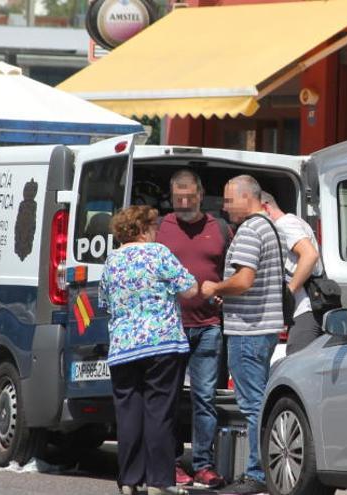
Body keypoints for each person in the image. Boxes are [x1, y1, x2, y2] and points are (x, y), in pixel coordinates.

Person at [99, 205, 198, 495]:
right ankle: (159, 481)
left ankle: (129, 480)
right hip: (162, 344)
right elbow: (190, 288)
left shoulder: (112, 261)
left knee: (129, 414)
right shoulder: (158, 253)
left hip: (124, 348)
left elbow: (105, 303)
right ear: (143, 230)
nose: (156, 232)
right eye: (153, 227)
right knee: (159, 412)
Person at [200, 175, 283, 494]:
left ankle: (258, 474)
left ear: (248, 198)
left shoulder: (250, 230)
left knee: (252, 405)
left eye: (229, 199)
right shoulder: (269, 227)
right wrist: (229, 294)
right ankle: (265, 469)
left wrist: (216, 287)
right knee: (258, 400)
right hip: (263, 327)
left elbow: (245, 280)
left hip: (249, 330)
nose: (225, 206)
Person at [155, 169, 228, 489]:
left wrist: (226, 291)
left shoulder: (220, 228)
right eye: (177, 197)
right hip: (169, 327)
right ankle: (169, 463)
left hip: (208, 326)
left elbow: (233, 268)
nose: (183, 202)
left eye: (189, 196)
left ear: (201, 195)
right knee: (167, 398)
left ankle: (203, 465)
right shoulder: (159, 228)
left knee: (205, 398)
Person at [261, 191, 324, 355]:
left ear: (265, 207)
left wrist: (289, 292)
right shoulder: (293, 221)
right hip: (306, 308)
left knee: (296, 364)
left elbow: (310, 255)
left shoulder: (284, 224)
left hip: (304, 308)